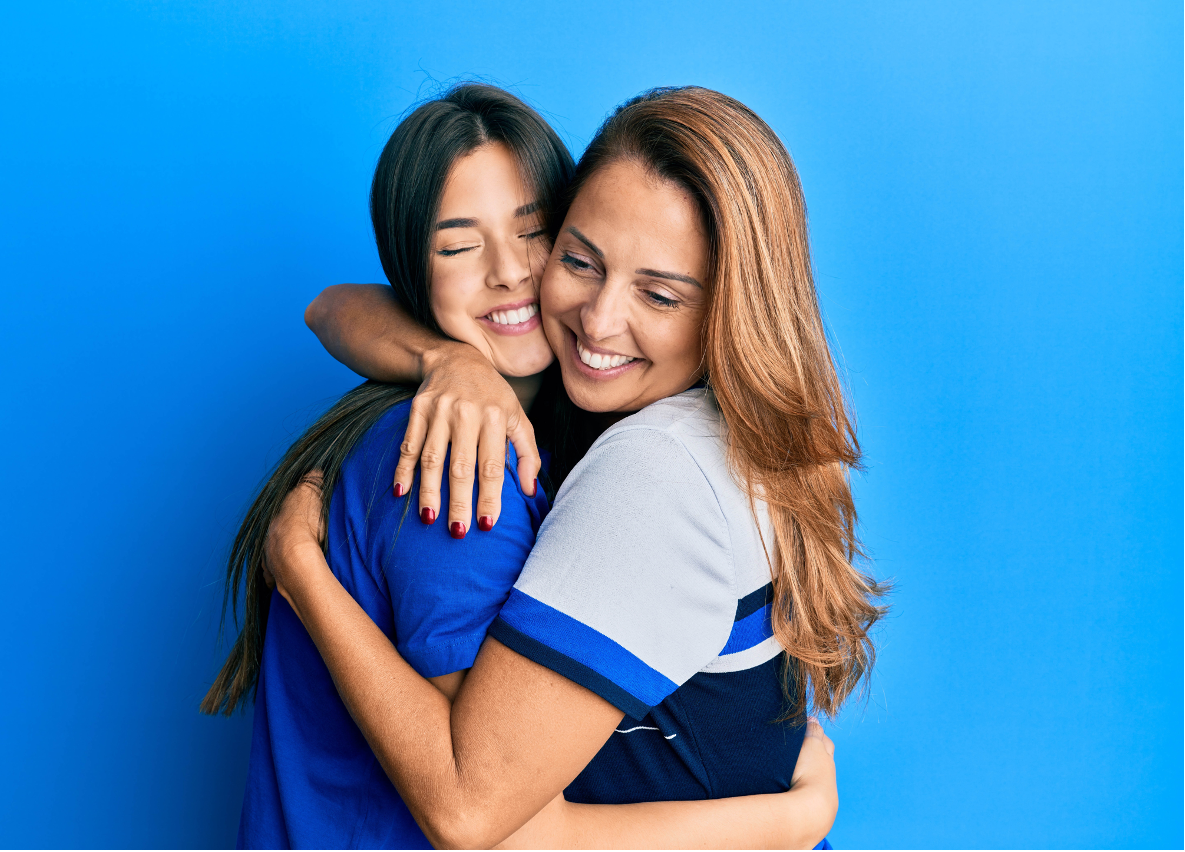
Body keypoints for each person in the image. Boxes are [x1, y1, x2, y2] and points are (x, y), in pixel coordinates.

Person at [203, 83, 839, 849]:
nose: (510, 274)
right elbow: (478, 816)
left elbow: (333, 308)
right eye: (457, 245)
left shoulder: (584, 428)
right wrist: (791, 820)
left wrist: (446, 360)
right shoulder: (462, 465)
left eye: (532, 236)